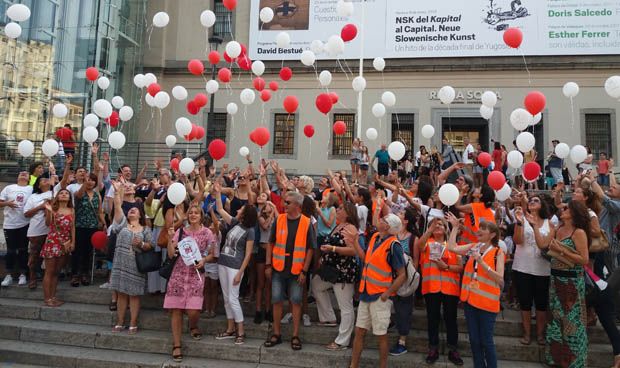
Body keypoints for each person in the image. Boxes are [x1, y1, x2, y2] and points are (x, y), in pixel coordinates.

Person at [531, 201, 590, 368]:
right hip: (555, 279)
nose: (562, 210)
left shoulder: (579, 233)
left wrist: (562, 249)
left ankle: (574, 361)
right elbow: (543, 245)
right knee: (556, 320)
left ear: (574, 212)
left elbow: (584, 259)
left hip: (571, 281)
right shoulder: (558, 229)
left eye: (566, 208)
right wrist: (535, 226)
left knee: (572, 321)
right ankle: (557, 359)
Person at [447, 213, 505, 368]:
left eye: (483, 229)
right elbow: (451, 248)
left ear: (492, 234)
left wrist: (481, 262)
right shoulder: (474, 247)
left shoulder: (498, 252)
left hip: (487, 305)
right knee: (474, 341)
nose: (479, 231)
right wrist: (454, 228)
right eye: (479, 228)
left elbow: (500, 279)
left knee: (486, 342)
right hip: (471, 302)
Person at [350, 214, 406, 368]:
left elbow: (402, 275)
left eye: (383, 220)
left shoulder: (394, 245)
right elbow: (365, 258)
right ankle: (353, 365)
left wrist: (387, 294)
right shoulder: (375, 236)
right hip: (366, 292)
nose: (380, 220)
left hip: (380, 296)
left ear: (388, 227)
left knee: (381, 335)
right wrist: (355, 242)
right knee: (359, 331)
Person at [165, 204, 217, 362]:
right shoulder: (180, 231)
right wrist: (169, 238)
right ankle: (177, 345)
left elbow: (213, 253)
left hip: (196, 276)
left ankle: (193, 325)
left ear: (201, 216)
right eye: (191, 213)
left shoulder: (208, 233)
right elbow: (170, 253)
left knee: (193, 311)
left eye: (196, 213)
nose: (193, 215)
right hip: (178, 275)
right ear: (187, 216)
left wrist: (204, 260)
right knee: (176, 310)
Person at [264, 191, 316, 351]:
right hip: (278, 268)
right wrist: (268, 265)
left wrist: (304, 271)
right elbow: (270, 243)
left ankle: (295, 335)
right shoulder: (279, 219)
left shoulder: (306, 223)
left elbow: (310, 249)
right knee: (277, 300)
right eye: (284, 202)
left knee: (296, 301)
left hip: (297, 270)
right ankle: (276, 333)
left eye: (288, 202)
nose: (284, 204)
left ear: (297, 206)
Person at [312, 202, 362, 351]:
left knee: (345, 306)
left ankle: (342, 341)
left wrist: (333, 248)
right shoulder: (338, 225)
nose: (337, 210)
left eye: (341, 209)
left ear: (348, 213)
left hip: (344, 272)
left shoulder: (351, 228)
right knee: (316, 285)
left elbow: (353, 251)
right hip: (331, 270)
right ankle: (328, 318)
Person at [213, 183, 257, 345]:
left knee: (233, 298)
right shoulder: (234, 223)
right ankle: (230, 329)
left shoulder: (250, 230)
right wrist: (218, 193)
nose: (238, 210)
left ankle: (241, 331)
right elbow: (219, 209)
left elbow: (247, 255)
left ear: (245, 215)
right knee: (226, 298)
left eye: (241, 210)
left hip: (235, 267)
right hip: (223, 263)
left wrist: (240, 272)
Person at [417, 217, 463, 364]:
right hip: (431, 288)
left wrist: (447, 267)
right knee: (432, 319)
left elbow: (460, 268)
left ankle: (453, 349)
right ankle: (433, 348)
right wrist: (429, 229)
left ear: (446, 229)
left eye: (441, 225)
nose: (438, 227)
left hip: (450, 289)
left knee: (451, 319)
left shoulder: (453, 245)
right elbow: (419, 245)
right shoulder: (427, 244)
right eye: (434, 225)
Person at [109, 182, 153, 334]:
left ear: (140, 214)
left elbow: (150, 246)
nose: (132, 211)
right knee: (121, 294)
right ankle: (120, 321)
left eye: (135, 210)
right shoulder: (121, 224)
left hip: (136, 266)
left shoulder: (145, 229)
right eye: (131, 211)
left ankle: (133, 322)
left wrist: (141, 243)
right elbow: (117, 207)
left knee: (134, 296)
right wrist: (116, 192)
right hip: (120, 265)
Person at [512, 194, 551, 345]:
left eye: (536, 200)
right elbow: (517, 241)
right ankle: (527, 334)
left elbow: (546, 245)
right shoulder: (522, 219)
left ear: (542, 205)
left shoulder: (550, 223)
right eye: (531, 200)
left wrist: (535, 225)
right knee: (525, 302)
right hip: (523, 267)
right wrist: (520, 223)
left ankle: (540, 334)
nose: (532, 202)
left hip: (543, 269)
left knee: (541, 304)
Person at [388, 207, 422, 357]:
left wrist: (408, 278)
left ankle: (402, 341)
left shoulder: (413, 238)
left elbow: (415, 261)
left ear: (406, 220)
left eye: (401, 214)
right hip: (390, 277)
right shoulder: (392, 235)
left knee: (404, 310)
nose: (398, 214)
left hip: (405, 279)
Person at [40, 189, 74, 307]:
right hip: (53, 241)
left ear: (69, 198)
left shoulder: (72, 210)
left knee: (56, 272)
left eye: (66, 193)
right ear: (57, 197)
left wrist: (73, 242)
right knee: (49, 271)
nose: (64, 194)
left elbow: (73, 228)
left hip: (65, 243)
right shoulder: (53, 208)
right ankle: (47, 298)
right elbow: (48, 223)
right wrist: (49, 211)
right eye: (61, 193)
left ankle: (53, 296)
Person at [0, 171, 33, 286]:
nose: (23, 174)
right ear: (17, 177)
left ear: (29, 178)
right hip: (9, 224)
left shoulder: (31, 189)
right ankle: (8, 275)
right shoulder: (9, 188)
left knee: (23, 250)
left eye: (26, 173)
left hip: (25, 224)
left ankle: (23, 275)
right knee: (11, 250)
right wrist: (7, 203)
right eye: (21, 173)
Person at [71, 173, 105, 286]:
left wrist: (103, 223)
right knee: (77, 251)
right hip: (79, 226)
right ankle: (75, 274)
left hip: (93, 227)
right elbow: (79, 196)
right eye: (88, 180)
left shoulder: (97, 195)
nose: (90, 182)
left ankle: (85, 273)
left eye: (92, 180)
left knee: (88, 251)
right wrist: (84, 182)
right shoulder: (79, 192)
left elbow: (100, 211)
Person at [23, 175, 54, 289]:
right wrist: (41, 207)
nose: (46, 180)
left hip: (52, 230)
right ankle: (32, 277)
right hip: (36, 230)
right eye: (42, 180)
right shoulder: (33, 197)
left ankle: (47, 276)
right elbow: (26, 213)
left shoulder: (54, 192)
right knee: (34, 255)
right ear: (38, 185)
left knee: (50, 256)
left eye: (47, 179)